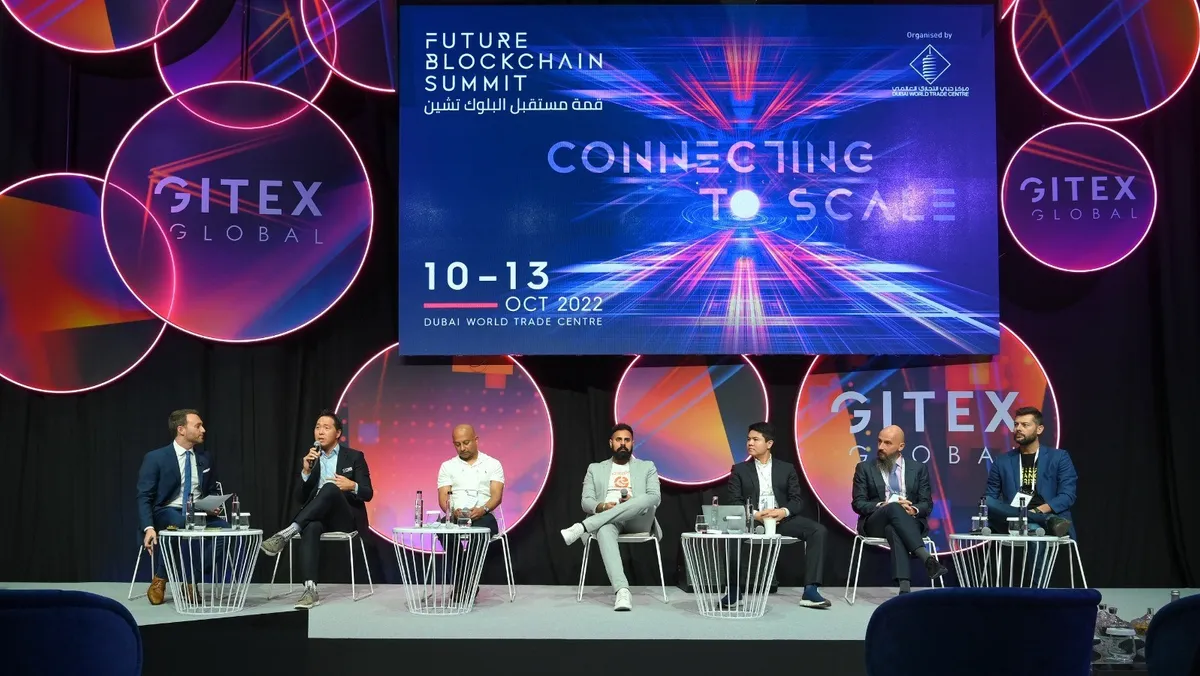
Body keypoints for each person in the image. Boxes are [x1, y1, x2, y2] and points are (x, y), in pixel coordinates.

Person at [259, 409, 373, 609]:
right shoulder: (312, 460)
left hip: (344, 517)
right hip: (318, 517)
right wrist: (305, 471)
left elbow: (368, 493)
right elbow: (300, 498)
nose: (320, 432)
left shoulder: (354, 457)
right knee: (310, 527)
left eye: (326, 428)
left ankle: (287, 533)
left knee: (329, 487)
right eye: (317, 427)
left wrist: (352, 486)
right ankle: (310, 589)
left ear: (338, 433)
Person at [722, 422, 831, 609]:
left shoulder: (786, 469)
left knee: (818, 530)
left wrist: (782, 512)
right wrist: (756, 515)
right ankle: (733, 590)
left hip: (781, 520)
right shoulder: (739, 470)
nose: (750, 443)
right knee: (732, 533)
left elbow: (796, 500)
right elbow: (734, 502)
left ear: (769, 443)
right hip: (753, 520)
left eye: (755, 439)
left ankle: (811, 590)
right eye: (748, 439)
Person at [560, 423, 661, 611]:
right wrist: (602, 506)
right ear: (611, 443)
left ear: (632, 443)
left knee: (644, 498)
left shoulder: (647, 467)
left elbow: (655, 498)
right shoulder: (595, 468)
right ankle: (622, 591)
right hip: (608, 519)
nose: (623, 444)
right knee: (605, 529)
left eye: (627, 440)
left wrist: (631, 502)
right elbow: (586, 502)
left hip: (639, 520)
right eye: (618, 440)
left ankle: (583, 526)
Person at [136, 409, 228, 605]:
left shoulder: (205, 458)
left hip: (198, 512)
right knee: (178, 522)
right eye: (198, 426)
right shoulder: (156, 457)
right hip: (167, 511)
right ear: (181, 430)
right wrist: (148, 527)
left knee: (226, 531)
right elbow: (144, 496)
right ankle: (163, 579)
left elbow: (211, 489)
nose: (203, 430)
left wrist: (211, 505)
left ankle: (191, 580)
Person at [851, 425, 947, 593]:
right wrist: (883, 505)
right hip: (876, 522)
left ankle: (904, 589)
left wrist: (913, 509)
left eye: (887, 443)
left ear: (900, 446)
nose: (881, 447)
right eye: (879, 441)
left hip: (909, 522)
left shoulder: (918, 469)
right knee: (894, 507)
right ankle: (926, 557)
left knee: (894, 529)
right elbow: (858, 503)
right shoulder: (864, 468)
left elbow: (926, 504)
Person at [985, 406, 1075, 538]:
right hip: (1014, 520)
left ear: (1039, 429)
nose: (1018, 428)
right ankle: (1046, 520)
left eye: (1025, 425)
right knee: (987, 501)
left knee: (1033, 529)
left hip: (1048, 513)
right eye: (1016, 424)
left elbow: (1067, 496)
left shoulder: (1059, 457)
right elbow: (991, 498)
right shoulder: (1002, 461)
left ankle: (1040, 520)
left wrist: (1038, 511)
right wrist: (1024, 515)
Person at [436, 424, 505, 536]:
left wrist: (482, 510)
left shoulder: (493, 464)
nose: (462, 448)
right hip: (456, 517)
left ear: (476, 440)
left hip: (483, 515)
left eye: (466, 443)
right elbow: (443, 498)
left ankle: (471, 549)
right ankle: (455, 549)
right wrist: (453, 512)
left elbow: (497, 497)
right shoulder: (447, 466)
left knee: (480, 532)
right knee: (442, 530)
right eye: (457, 444)